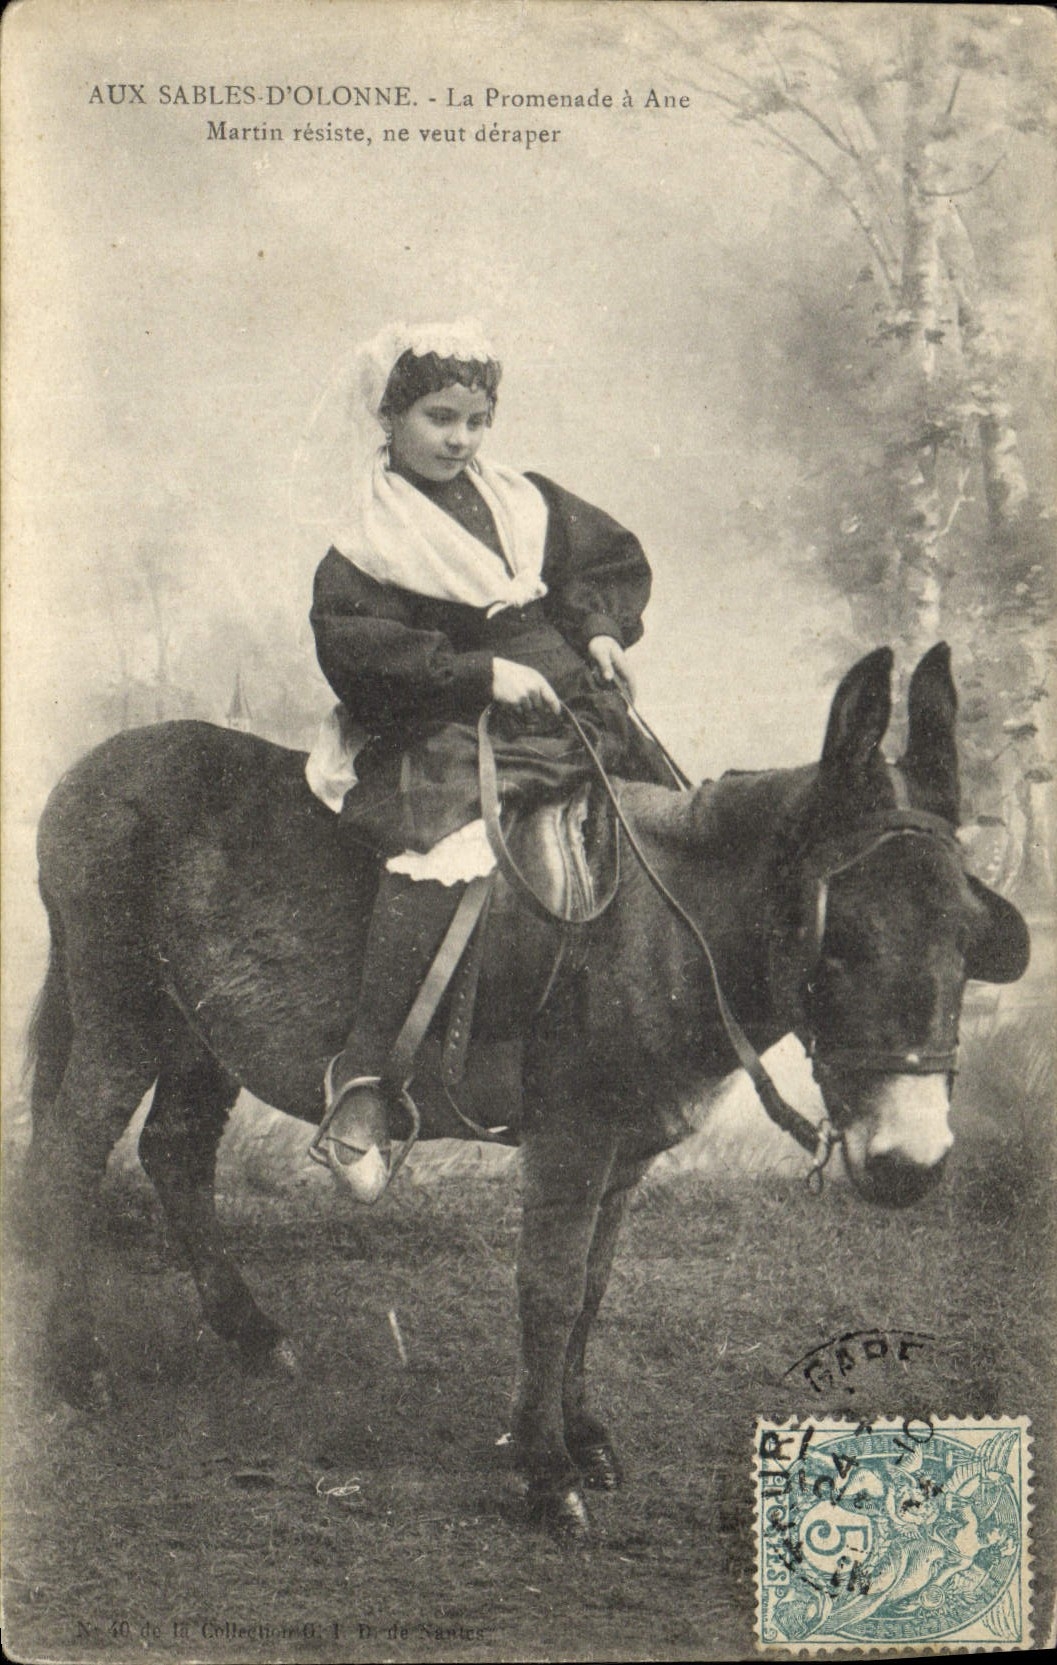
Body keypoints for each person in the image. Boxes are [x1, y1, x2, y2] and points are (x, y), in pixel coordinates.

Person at [307, 318, 665, 1199]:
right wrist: (478, 674)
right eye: (438, 417)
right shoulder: (368, 533)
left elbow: (602, 562)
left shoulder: (522, 497)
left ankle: (628, 1054)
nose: (459, 439)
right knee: (441, 847)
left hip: (566, 699)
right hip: (443, 721)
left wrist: (601, 633)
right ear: (388, 418)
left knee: (664, 816)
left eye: (474, 420)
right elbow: (356, 647)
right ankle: (360, 1083)